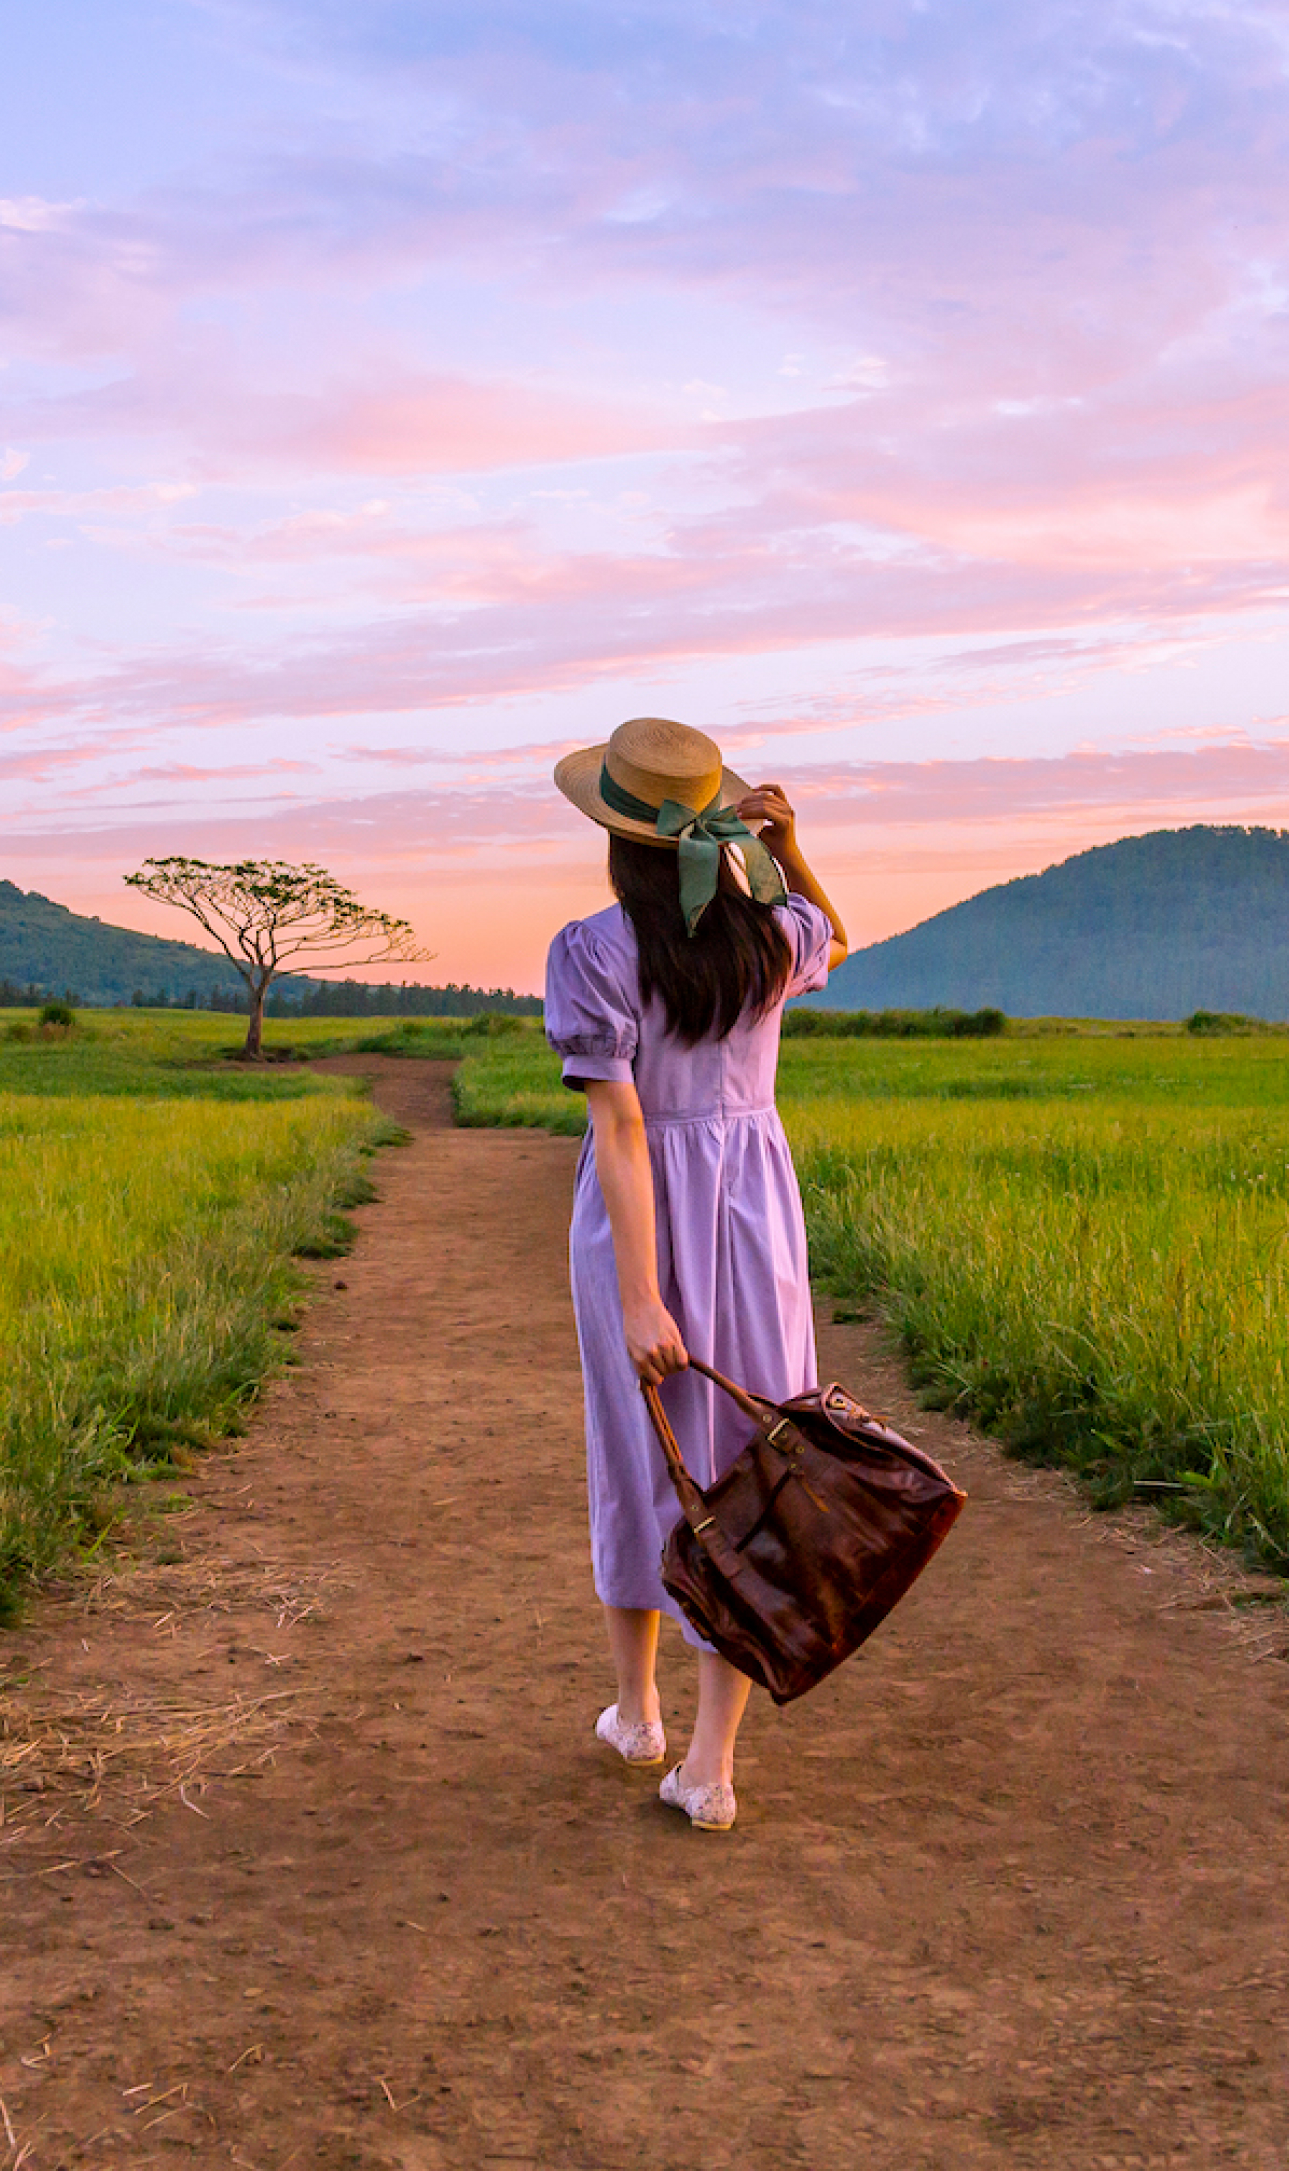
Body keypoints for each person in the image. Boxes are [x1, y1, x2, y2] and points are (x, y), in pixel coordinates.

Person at [541, 715, 850, 1832]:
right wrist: (795, 844)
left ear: (618, 839)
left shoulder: (594, 947)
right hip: (758, 1212)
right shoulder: (768, 932)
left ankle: (639, 1713)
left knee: (641, 1453)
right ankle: (711, 1766)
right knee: (748, 1467)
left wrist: (638, 1293)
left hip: (645, 1216)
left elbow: (622, 1130)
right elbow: (837, 939)